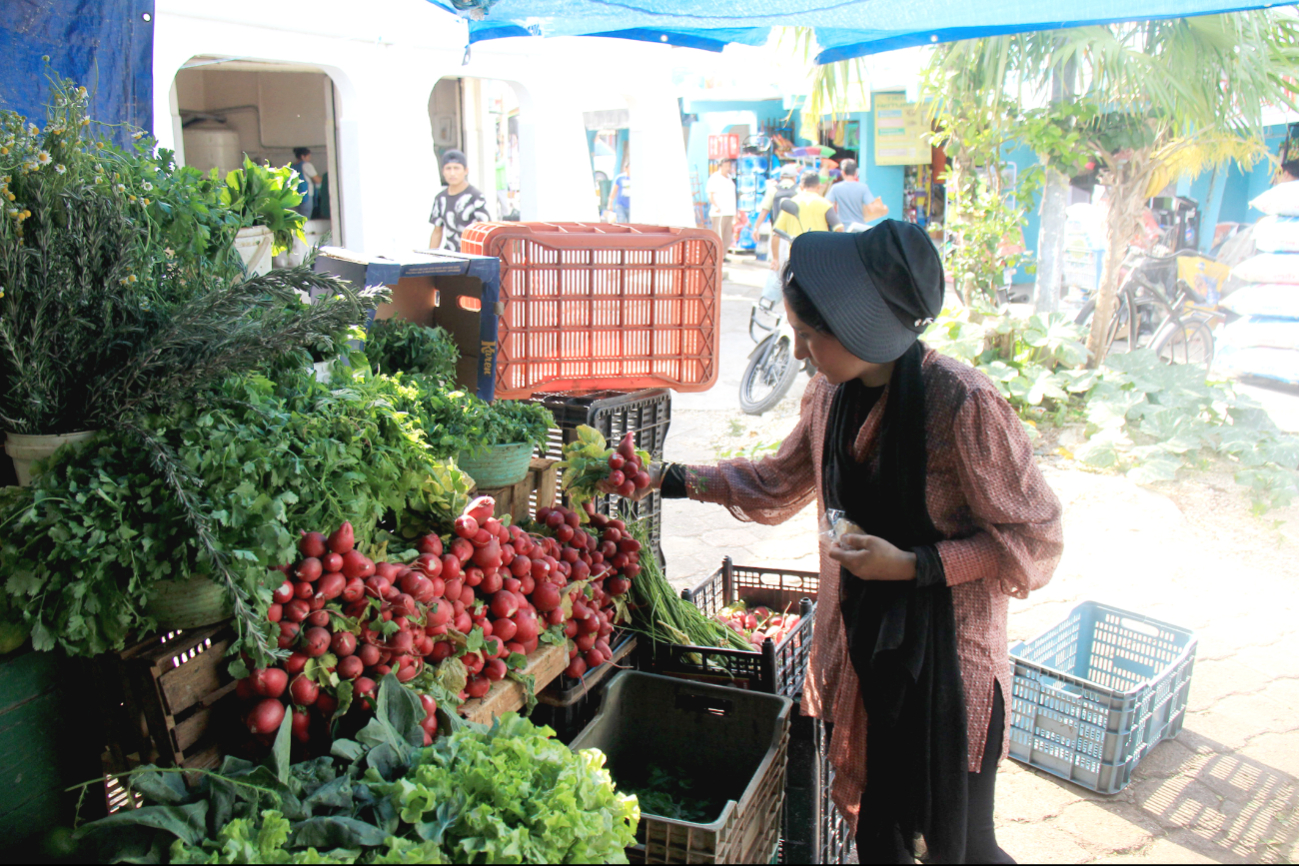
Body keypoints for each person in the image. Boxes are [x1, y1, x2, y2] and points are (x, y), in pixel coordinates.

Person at [616, 220, 1064, 864]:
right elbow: (777, 481)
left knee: (961, 847)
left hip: (948, 671)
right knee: (878, 838)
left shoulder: (963, 405)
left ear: (862, 330)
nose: (797, 353)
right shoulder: (830, 393)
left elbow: (1036, 539)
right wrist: (670, 479)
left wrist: (916, 565)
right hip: (861, 657)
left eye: (807, 336)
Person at [769, 170, 843, 270]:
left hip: (795, 255)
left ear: (800, 187)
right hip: (820, 255)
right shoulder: (825, 204)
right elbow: (839, 229)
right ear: (818, 187)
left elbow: (776, 233)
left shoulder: (792, 202)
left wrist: (775, 259)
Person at [428, 149, 491, 252]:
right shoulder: (440, 199)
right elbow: (437, 231)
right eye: (448, 168)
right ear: (443, 171)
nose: (452, 173)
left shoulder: (476, 197)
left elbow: (486, 230)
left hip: (472, 255)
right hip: (450, 255)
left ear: (466, 171)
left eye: (456, 168)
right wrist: (429, 258)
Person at [827, 158, 889, 231]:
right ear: (856, 173)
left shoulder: (836, 188)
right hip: (859, 227)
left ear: (842, 172)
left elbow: (827, 205)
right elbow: (871, 209)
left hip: (842, 228)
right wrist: (883, 209)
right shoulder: (863, 188)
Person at [751, 162, 800, 242]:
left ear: (781, 177)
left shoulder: (773, 190)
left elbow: (764, 211)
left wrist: (756, 228)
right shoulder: (799, 190)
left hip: (777, 233)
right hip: (794, 233)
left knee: (776, 254)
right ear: (795, 177)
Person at [707, 158, 737, 253]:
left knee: (727, 236)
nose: (728, 168)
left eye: (729, 166)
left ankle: (723, 256)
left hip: (729, 212)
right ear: (720, 167)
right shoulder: (715, 178)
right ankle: (715, 255)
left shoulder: (730, 178)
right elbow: (710, 195)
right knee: (718, 235)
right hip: (719, 213)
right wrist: (716, 206)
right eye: (726, 166)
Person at [289, 147, 322, 219]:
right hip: (306, 196)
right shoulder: (306, 165)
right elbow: (317, 180)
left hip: (294, 197)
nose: (309, 159)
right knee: (305, 219)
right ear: (302, 156)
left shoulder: (291, 166)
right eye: (308, 156)